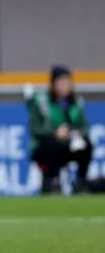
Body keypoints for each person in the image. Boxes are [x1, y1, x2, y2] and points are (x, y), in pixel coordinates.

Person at [27, 65, 92, 194]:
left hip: (70, 143)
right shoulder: (41, 102)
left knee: (86, 145)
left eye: (67, 83)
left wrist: (77, 132)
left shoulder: (76, 102)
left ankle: (81, 182)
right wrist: (55, 133)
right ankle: (53, 182)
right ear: (53, 84)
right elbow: (35, 129)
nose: (64, 86)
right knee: (55, 145)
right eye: (60, 83)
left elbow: (84, 126)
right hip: (44, 146)